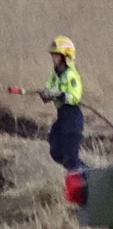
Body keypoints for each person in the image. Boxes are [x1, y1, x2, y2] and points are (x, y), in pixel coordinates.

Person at [14, 38, 85, 175]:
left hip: (73, 118)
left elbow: (75, 96)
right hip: (62, 117)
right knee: (56, 152)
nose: (53, 58)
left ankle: (85, 176)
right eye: (53, 55)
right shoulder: (54, 74)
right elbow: (48, 89)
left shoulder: (71, 75)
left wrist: (60, 94)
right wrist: (46, 94)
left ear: (65, 57)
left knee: (70, 155)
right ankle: (83, 173)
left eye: (56, 55)